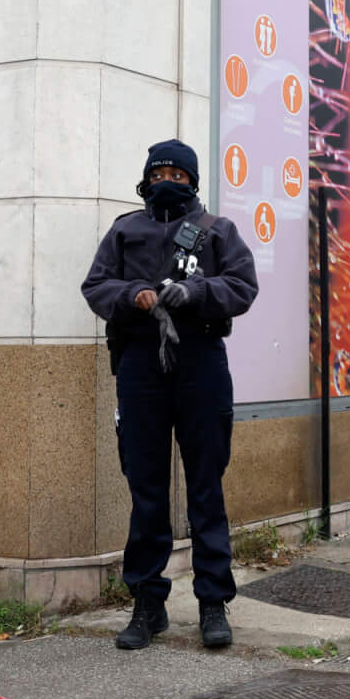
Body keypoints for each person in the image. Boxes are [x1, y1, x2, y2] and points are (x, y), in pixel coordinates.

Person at [82, 139, 257, 650]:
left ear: (193, 181)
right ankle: (147, 604)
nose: (168, 180)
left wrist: (197, 292)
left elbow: (243, 286)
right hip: (139, 366)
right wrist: (129, 296)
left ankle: (212, 603)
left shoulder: (217, 230)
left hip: (200, 360)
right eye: (159, 172)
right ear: (145, 176)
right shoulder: (124, 230)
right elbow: (95, 286)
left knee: (206, 486)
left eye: (178, 175)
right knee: (147, 489)